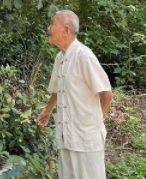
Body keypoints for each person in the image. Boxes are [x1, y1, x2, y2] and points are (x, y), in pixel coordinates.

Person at [35, 10, 113, 179]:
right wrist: (47, 110)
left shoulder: (84, 56)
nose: (49, 27)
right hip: (66, 135)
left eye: (53, 23)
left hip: (86, 139)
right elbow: (58, 89)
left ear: (66, 30)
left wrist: (93, 122)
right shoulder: (60, 58)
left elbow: (107, 95)